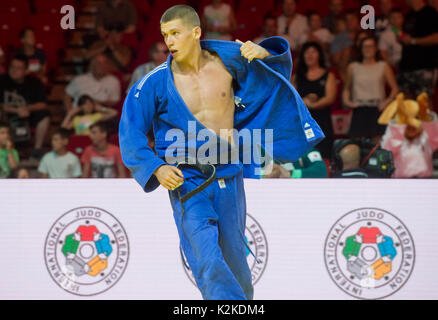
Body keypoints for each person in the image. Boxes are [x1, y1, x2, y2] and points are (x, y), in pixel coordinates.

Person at [119, 5, 323, 300]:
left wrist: (266, 53)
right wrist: (156, 167)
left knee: (235, 262)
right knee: (206, 256)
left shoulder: (229, 62)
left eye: (176, 33)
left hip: (229, 174)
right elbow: (130, 131)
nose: (169, 41)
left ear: (196, 32)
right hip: (187, 179)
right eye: (165, 35)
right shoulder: (154, 82)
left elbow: (270, 77)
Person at [343, 36, 399, 142]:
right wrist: (348, 102)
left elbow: (395, 88)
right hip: (359, 108)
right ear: (361, 49)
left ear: (376, 48)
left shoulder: (383, 66)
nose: (368, 49)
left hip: (377, 108)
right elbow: (346, 88)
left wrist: (386, 102)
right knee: (357, 144)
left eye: (371, 46)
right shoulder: (353, 67)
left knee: (378, 144)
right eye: (365, 46)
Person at [0, 55, 50, 159]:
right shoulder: (2, 81)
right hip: (6, 115)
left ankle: (37, 150)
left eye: (18, 68)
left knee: (44, 115)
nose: (14, 70)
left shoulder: (34, 82)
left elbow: (42, 104)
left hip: (28, 115)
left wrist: (27, 109)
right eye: (12, 67)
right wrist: (17, 110)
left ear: (26, 71)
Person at [294, 42, 336, 159]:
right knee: (304, 155)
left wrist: (311, 104)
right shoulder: (297, 76)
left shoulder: (328, 75)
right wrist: (304, 101)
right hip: (303, 122)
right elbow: (291, 98)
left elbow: (330, 98)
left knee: (324, 155)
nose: (309, 55)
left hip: (322, 121)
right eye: (307, 52)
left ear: (319, 55)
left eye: (313, 52)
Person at [397, 0, 438, 99]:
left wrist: (413, 41)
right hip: (406, 66)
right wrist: (399, 34)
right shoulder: (408, 15)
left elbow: (436, 38)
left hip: (424, 66)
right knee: (406, 102)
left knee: (424, 101)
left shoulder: (431, 13)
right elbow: (404, 36)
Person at [261, 148, 327, 178]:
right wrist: (263, 174)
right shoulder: (261, 149)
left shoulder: (307, 150)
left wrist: (290, 174)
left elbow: (321, 171)